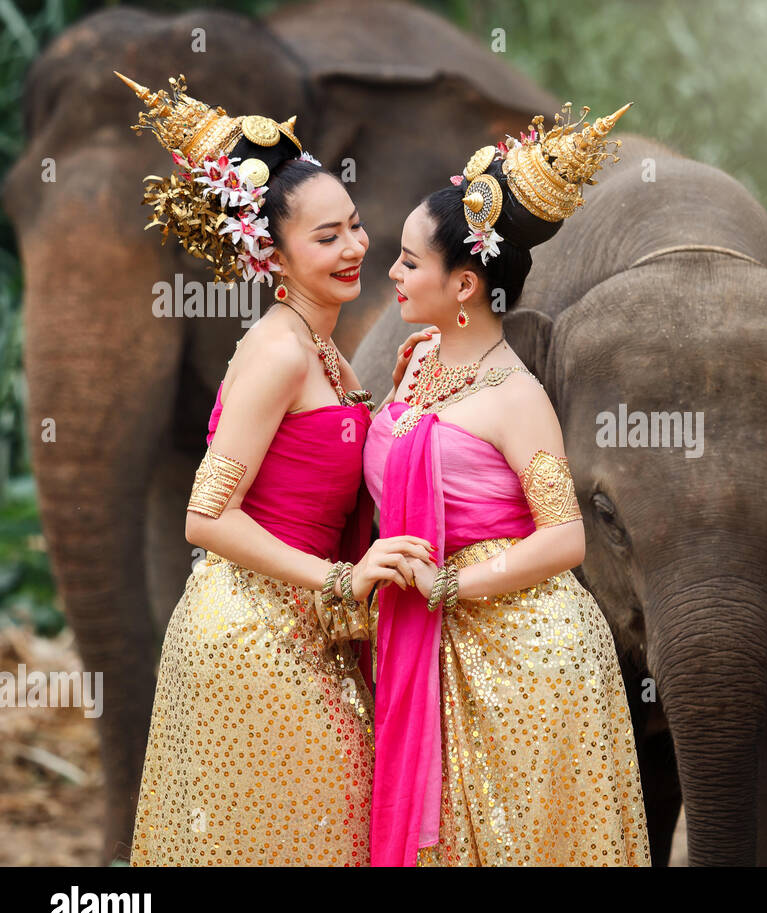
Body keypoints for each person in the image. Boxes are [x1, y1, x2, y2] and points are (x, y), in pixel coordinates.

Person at [118, 73, 434, 865]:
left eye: (356, 226)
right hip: (250, 634)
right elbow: (205, 517)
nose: (356, 248)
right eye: (326, 238)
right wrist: (338, 581)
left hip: (306, 622)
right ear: (273, 251)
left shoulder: (322, 348)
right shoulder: (277, 350)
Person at [363, 102, 652, 866]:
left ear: (464, 286)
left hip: (525, 660)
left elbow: (564, 538)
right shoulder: (421, 362)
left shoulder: (515, 397)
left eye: (409, 262)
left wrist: (452, 584)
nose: (391, 272)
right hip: (427, 638)